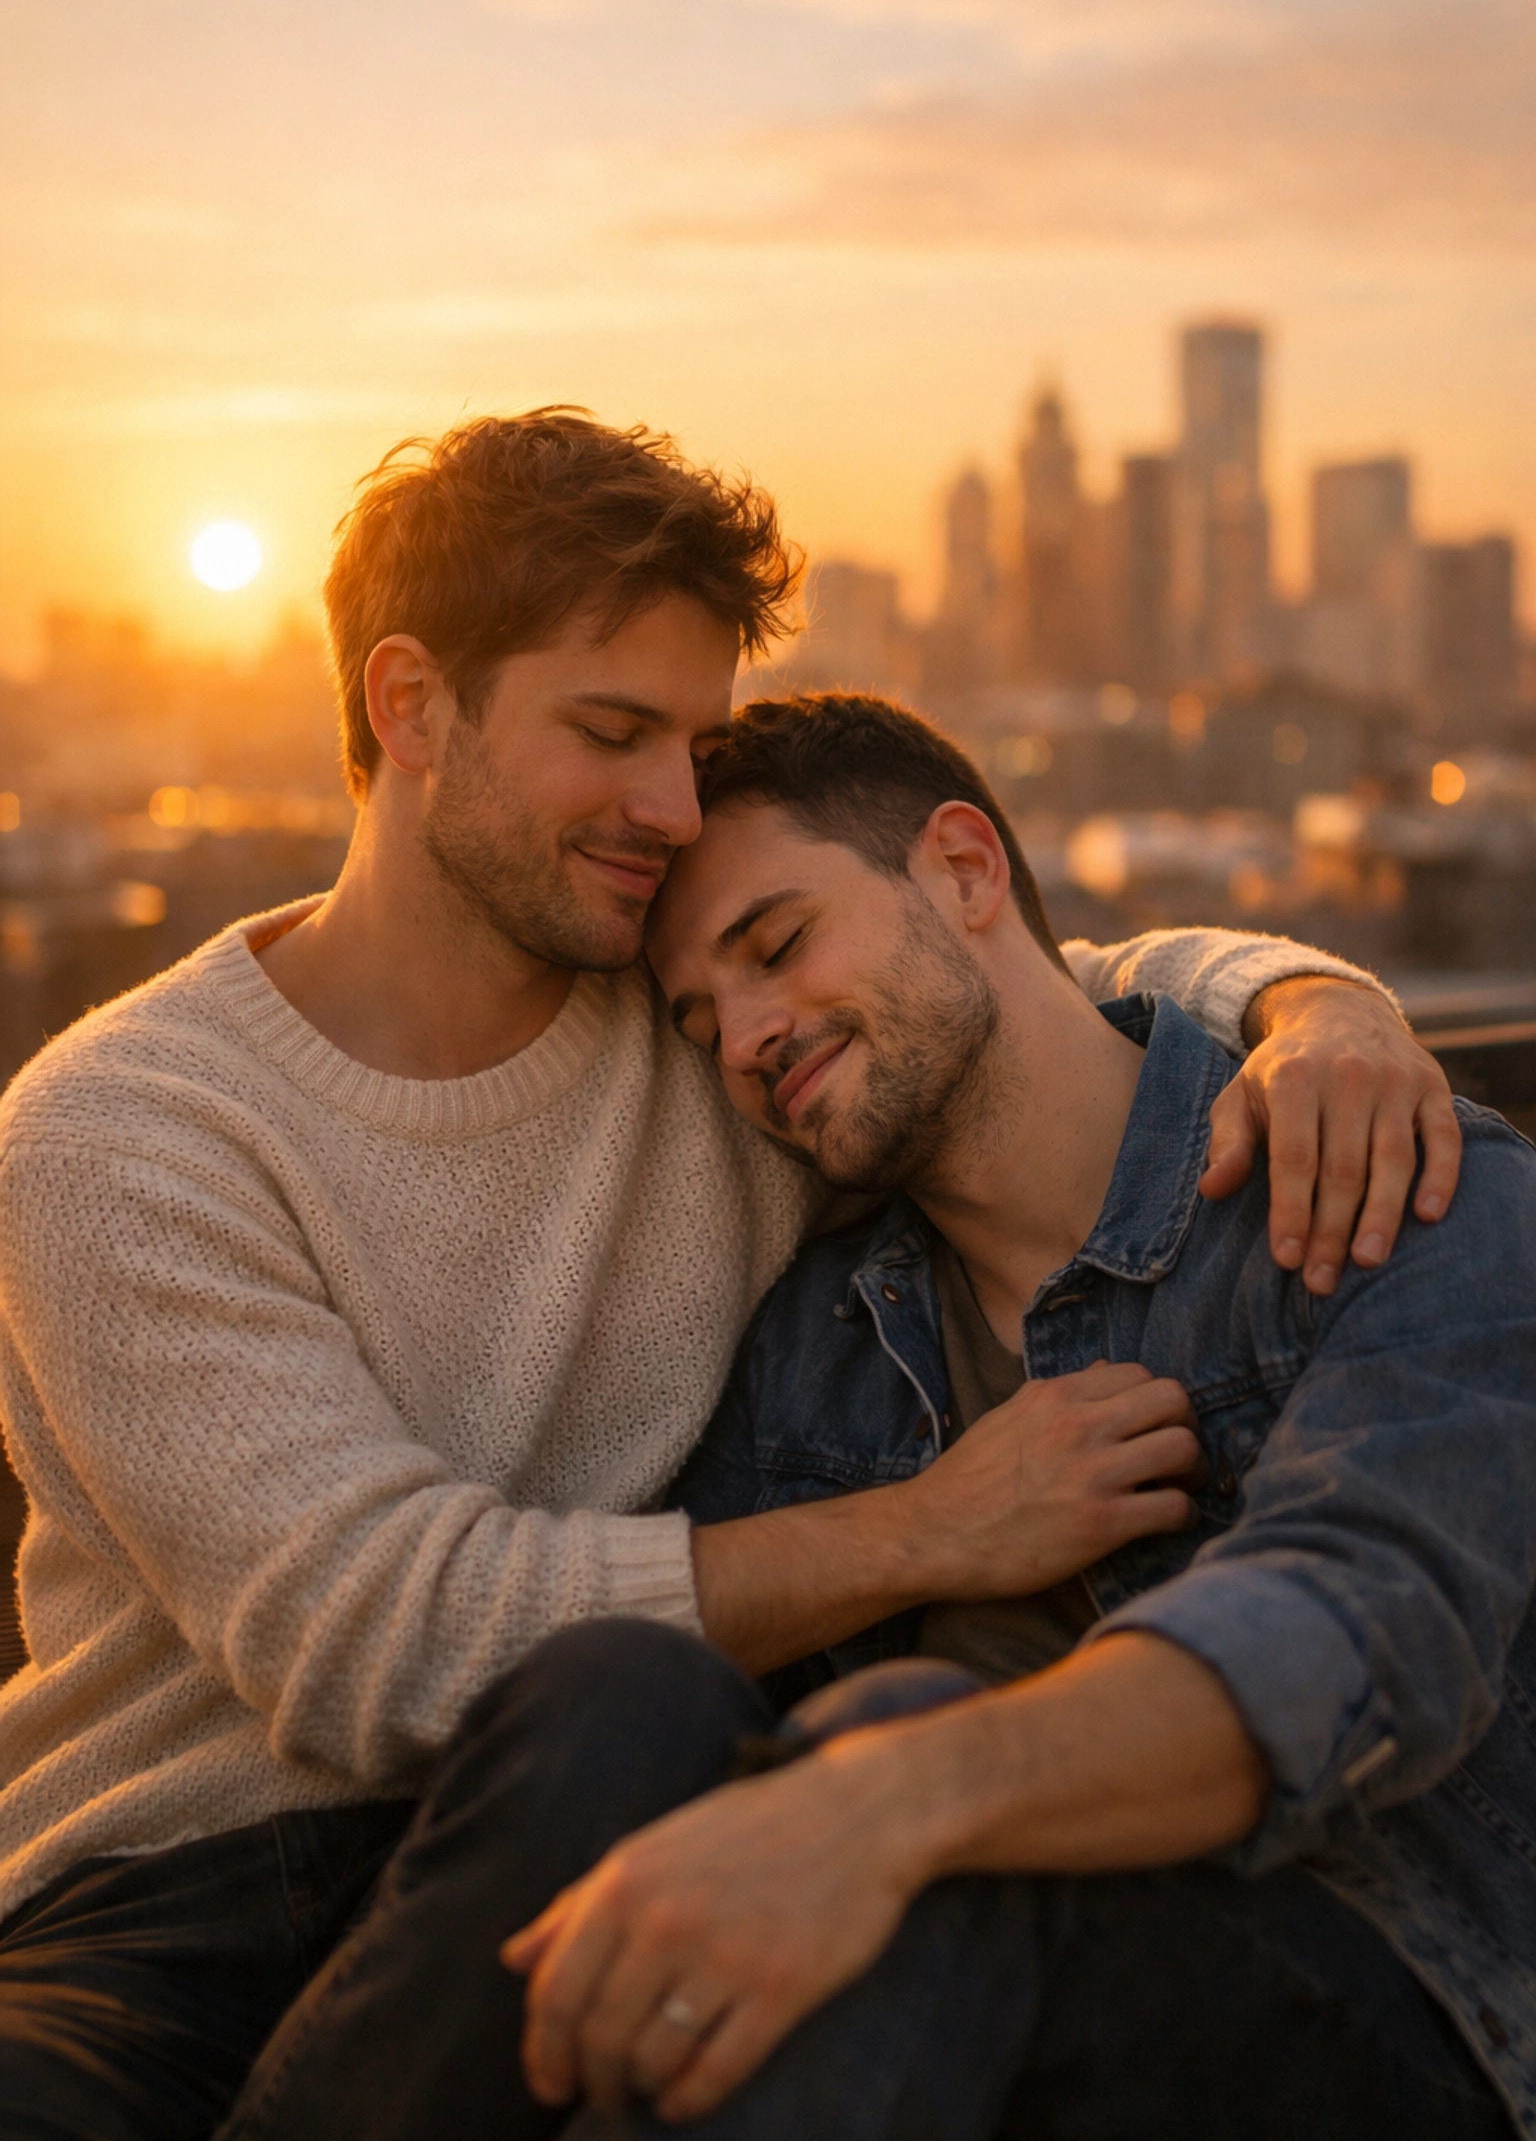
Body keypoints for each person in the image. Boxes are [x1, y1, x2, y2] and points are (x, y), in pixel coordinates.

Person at [0, 416, 1457, 2141]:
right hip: (167, 1918)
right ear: (409, 708)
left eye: (695, 743)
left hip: (607, 1829)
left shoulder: (709, 1032)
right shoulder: (119, 1137)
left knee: (636, 1713)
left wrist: (1319, 1002)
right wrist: (928, 1533)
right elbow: (386, 1641)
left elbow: (1011, 987)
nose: (675, 809)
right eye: (613, 733)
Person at [479, 691, 1536, 2141]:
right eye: (700, 1022)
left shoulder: (1386, 1184)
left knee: (907, 1775)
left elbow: (1358, 1624)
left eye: (777, 946)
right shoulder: (814, 1356)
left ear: (968, 872)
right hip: (956, 2060)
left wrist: (887, 1800)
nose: (746, 1041)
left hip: (1418, 2018)